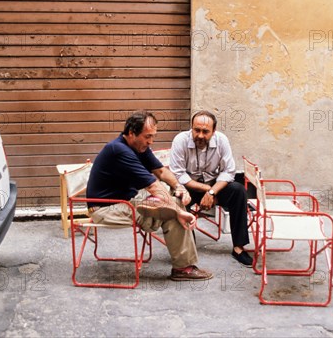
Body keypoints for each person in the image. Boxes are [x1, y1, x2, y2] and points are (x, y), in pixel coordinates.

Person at [86, 111, 213, 281]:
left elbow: (160, 171)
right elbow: (153, 186)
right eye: (148, 136)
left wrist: (178, 186)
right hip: (105, 209)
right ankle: (183, 268)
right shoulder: (119, 150)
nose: (151, 141)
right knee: (172, 211)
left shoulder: (138, 146)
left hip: (125, 201)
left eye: (153, 136)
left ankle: (184, 263)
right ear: (132, 133)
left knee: (173, 201)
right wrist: (179, 211)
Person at [169, 111, 253, 267]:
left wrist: (213, 191)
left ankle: (238, 247)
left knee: (238, 191)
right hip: (190, 185)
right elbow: (178, 173)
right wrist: (207, 189)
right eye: (196, 130)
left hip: (215, 185)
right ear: (191, 128)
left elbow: (229, 171)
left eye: (205, 131)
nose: (200, 135)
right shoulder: (180, 141)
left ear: (214, 132)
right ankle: (186, 248)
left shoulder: (222, 141)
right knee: (177, 199)